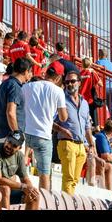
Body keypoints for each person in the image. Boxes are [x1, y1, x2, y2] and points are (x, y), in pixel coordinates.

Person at [22, 61, 68, 190]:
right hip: (43, 136)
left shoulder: (28, 86)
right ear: (58, 77)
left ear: (46, 72)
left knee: (20, 170)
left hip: (25, 134)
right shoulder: (58, 91)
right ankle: (43, 203)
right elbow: (63, 117)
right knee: (44, 174)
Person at [52, 71, 96, 195]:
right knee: (68, 178)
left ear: (79, 83)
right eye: (67, 82)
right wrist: (62, 130)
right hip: (66, 143)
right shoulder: (61, 100)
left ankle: (68, 202)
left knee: (75, 180)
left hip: (81, 145)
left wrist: (91, 145)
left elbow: (87, 126)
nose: (69, 84)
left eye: (72, 81)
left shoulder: (85, 103)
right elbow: (49, 120)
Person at [0, 58, 32, 141]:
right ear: (26, 71)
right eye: (30, 72)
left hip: (1, 135)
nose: (31, 75)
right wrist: (16, 134)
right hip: (11, 139)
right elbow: (10, 112)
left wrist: (2, 120)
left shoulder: (4, 84)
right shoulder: (15, 86)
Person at [95, 119, 112, 187]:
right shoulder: (101, 137)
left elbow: (109, 155)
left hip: (100, 160)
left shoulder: (105, 138)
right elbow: (106, 156)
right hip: (97, 160)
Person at [79, 57, 103, 129]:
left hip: (81, 97)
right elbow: (101, 84)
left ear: (82, 65)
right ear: (90, 64)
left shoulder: (79, 74)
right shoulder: (92, 73)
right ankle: (96, 128)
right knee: (94, 114)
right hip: (90, 97)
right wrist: (95, 72)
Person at [96, 49, 112, 115]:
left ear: (99, 55)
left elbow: (95, 74)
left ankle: (100, 121)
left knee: (100, 104)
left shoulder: (98, 62)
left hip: (102, 87)